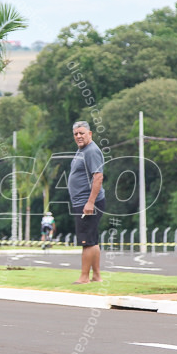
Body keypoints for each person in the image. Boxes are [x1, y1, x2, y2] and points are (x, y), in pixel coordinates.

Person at [70, 121, 105, 284]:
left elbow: (98, 177)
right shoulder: (82, 150)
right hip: (83, 202)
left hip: (88, 203)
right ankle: (96, 276)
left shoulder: (91, 151)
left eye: (82, 133)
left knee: (86, 242)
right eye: (76, 134)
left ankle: (84, 277)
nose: (78, 136)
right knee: (92, 240)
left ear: (90, 134)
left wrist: (90, 203)